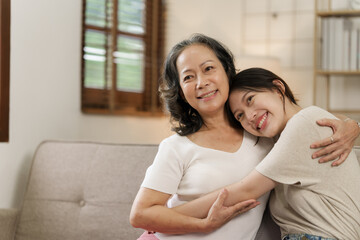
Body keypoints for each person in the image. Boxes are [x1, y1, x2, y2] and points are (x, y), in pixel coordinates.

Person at [129, 34, 360, 240]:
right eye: (188, 77)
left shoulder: (262, 134)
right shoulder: (176, 147)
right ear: (181, 91)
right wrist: (200, 224)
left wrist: (351, 125)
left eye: (209, 68)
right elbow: (141, 215)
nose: (201, 82)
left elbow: (307, 121)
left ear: (226, 72)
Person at [173, 67, 360, 239]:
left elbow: (244, 190)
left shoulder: (303, 124)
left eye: (250, 99)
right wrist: (353, 124)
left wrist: (166, 217)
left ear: (278, 89)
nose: (250, 116)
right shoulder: (279, 138)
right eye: (240, 116)